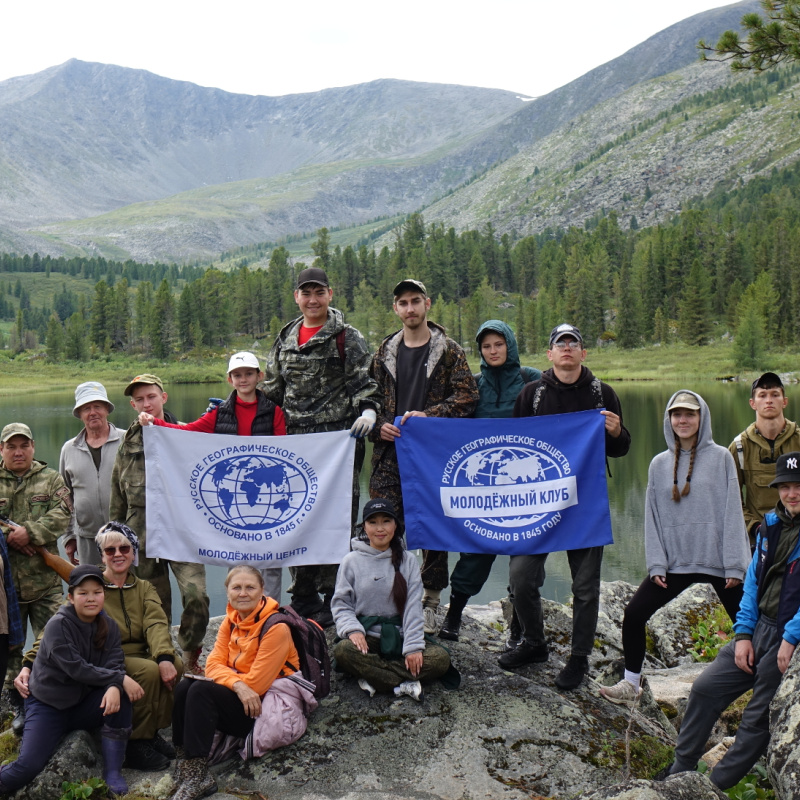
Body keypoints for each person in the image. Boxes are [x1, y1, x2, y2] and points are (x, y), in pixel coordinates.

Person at [600, 390, 750, 706]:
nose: (683, 420)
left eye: (690, 414)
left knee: (750, 627)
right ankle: (631, 684)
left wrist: (736, 565)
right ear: (668, 419)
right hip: (676, 564)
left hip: (719, 564)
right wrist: (656, 564)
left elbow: (733, 512)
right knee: (633, 614)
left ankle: (766, 687)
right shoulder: (658, 465)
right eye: (676, 414)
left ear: (702, 417)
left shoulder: (722, 457)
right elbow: (652, 519)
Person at [663, 451, 800, 789]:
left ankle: (713, 788)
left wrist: (792, 637)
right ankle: (680, 772)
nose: (792, 493)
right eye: (785, 486)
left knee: (757, 718)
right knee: (706, 688)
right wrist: (742, 635)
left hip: (790, 636)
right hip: (760, 629)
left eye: (799, 486)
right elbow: (753, 582)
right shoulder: (769, 526)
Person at [505, 323, 631, 690]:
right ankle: (534, 642)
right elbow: (514, 445)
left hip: (585, 503)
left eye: (572, 343)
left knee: (586, 587)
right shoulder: (531, 395)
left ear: (582, 352)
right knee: (521, 577)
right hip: (537, 504)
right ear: (549, 353)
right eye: (559, 344)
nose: (566, 349)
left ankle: (578, 659)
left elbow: (621, 448)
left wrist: (615, 432)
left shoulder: (602, 393)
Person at [263, 266, 381, 625]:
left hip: (339, 442)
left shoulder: (348, 337)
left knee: (338, 516)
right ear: (297, 297)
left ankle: (337, 593)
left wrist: (369, 412)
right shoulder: (286, 338)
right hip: (296, 444)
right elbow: (272, 390)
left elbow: (366, 384)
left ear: (329, 295)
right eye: (305, 293)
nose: (312, 300)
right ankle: (303, 593)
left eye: (319, 293)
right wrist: (232, 412)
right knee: (298, 515)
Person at [369, 279, 478, 634]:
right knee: (382, 522)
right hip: (389, 452)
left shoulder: (448, 350)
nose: (410, 308)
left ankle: (430, 601)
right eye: (403, 303)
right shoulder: (385, 349)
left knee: (432, 523)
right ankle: (386, 597)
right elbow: (368, 399)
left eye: (416, 301)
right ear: (396, 309)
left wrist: (431, 415)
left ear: (427, 304)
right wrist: (379, 425)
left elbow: (467, 397)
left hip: (433, 454)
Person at [139, 353, 286, 602]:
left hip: (266, 495)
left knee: (271, 561)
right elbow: (187, 432)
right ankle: (239, 619)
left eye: (249, 374)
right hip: (233, 497)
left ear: (259, 377)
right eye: (237, 375)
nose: (243, 379)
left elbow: (287, 453)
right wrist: (155, 423)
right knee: (238, 560)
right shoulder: (219, 413)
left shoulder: (274, 412)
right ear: (230, 379)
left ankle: (270, 617)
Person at [439, 320, 541, 642]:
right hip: (483, 489)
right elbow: (451, 425)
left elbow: (559, 419)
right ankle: (454, 616)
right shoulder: (473, 384)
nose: (493, 351)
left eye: (499, 344)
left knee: (522, 562)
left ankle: (517, 629)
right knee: (474, 552)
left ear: (509, 345)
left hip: (524, 491)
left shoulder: (531, 379)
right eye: (486, 346)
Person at [171, 565, 301, 800]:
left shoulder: (277, 628)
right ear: (228, 591)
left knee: (201, 690)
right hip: (245, 697)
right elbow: (212, 665)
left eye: (250, 587)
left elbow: (257, 684)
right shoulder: (229, 622)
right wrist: (237, 684)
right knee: (184, 688)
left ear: (262, 590)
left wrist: (232, 681)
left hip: (267, 708)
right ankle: (187, 765)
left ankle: (200, 776)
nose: (243, 593)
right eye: (236, 587)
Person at [0, 565, 132, 796]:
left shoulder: (109, 626)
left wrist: (114, 685)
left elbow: (114, 661)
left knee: (120, 696)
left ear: (104, 594)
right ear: (70, 597)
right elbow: (77, 669)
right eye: (83, 593)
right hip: (47, 706)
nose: (91, 598)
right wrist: (120, 678)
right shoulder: (58, 625)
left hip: (80, 704)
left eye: (97, 592)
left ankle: (112, 772)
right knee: (27, 767)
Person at [110, 374, 210, 675]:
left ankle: (190, 652)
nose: (146, 403)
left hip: (182, 532)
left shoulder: (185, 434)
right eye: (139, 399)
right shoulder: (126, 443)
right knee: (154, 605)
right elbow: (118, 493)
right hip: (141, 534)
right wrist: (115, 536)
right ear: (132, 404)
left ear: (163, 398)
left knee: (198, 597)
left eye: (151, 396)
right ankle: (164, 659)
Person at [332, 498, 452, 700]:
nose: (380, 529)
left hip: (401, 635)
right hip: (368, 635)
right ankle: (404, 681)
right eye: (373, 522)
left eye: (386, 521)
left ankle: (375, 677)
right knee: (343, 651)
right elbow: (341, 604)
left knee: (441, 659)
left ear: (395, 525)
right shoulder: (350, 561)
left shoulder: (408, 561)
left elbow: (413, 606)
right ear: (364, 527)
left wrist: (413, 647)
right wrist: (353, 630)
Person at [97, 521, 183, 770]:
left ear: (133, 552)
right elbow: (62, 622)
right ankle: (134, 743)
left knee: (176, 664)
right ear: (102, 555)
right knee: (149, 671)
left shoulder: (143, 587)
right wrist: (30, 662)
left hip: (142, 651)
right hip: (109, 655)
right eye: (110, 550)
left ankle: (152, 731)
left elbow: (156, 622)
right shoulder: (93, 587)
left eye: (124, 548)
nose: (117, 555)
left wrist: (165, 656)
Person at [0, 423, 71, 709]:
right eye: (11, 447)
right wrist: (11, 536)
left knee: (54, 641)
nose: (18, 452)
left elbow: (64, 513)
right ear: (1, 449)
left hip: (46, 582)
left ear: (33, 447)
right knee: (11, 648)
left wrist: (31, 533)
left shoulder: (51, 479)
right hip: (6, 589)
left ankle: (50, 699)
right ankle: (15, 703)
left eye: (24, 446)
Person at [729, 372, 800, 549]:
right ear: (752, 403)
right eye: (762, 395)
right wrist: (755, 528)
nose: (769, 400)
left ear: (784, 401)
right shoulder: (739, 447)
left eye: (775, 395)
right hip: (758, 541)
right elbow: (730, 499)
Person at [60, 382, 123, 566]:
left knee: (128, 590)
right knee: (93, 590)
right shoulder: (68, 449)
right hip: (87, 538)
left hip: (125, 537)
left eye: (97, 406)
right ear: (79, 414)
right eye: (86, 408)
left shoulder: (127, 440)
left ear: (107, 409)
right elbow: (65, 498)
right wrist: (69, 536)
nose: (92, 412)